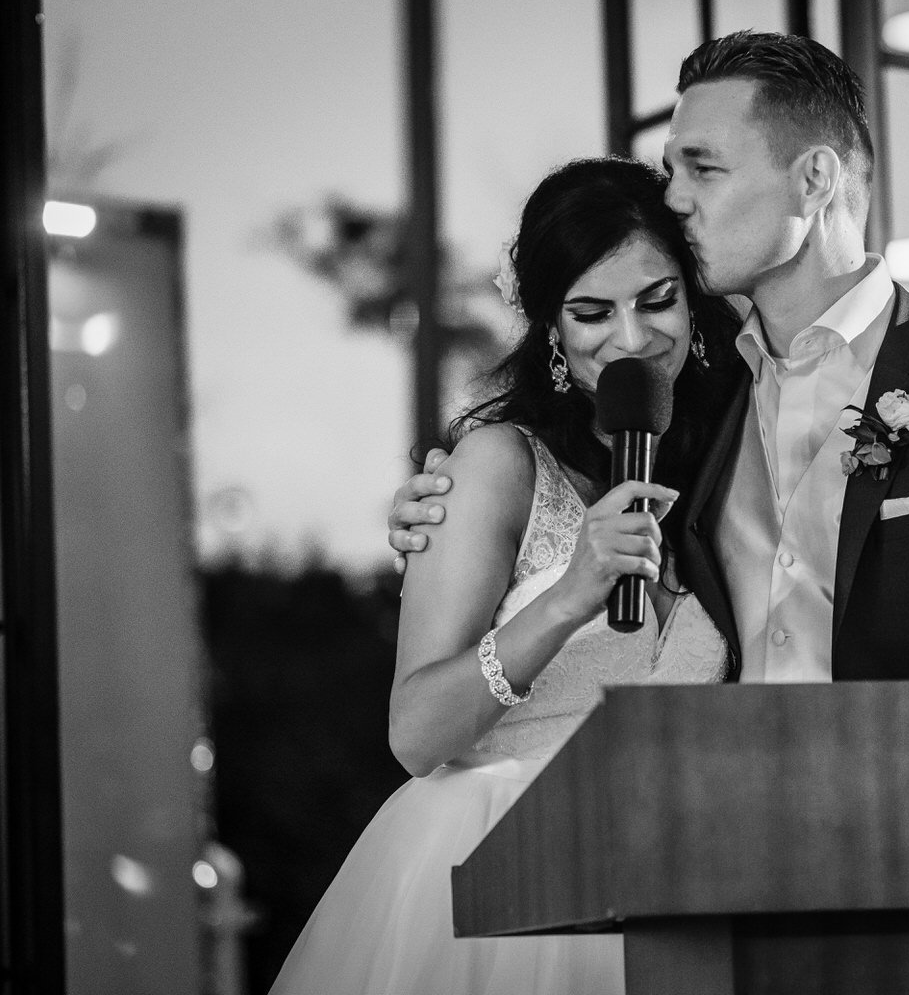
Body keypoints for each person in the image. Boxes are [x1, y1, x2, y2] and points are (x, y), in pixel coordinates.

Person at [388, 32, 909, 994]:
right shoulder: (695, 408)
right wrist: (438, 519)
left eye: (702, 167)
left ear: (813, 180)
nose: (675, 196)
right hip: (738, 930)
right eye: (670, 168)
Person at [271, 157, 736, 995]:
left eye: (656, 299)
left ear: (696, 301)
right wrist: (567, 597)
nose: (631, 339)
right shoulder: (497, 466)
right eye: (592, 313)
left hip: (680, 877)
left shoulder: (728, 467)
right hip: (511, 878)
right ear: (552, 332)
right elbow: (414, 732)